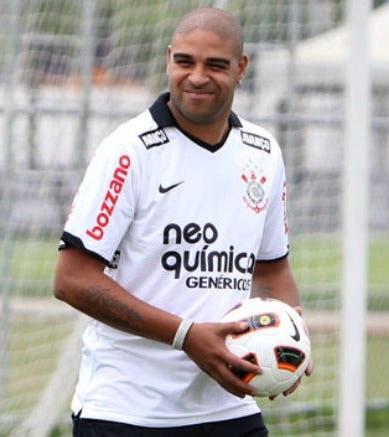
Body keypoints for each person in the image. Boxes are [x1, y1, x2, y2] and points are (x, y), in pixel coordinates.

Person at [53, 7, 311, 436]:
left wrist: (290, 338)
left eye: (216, 65)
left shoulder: (263, 152)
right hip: (127, 412)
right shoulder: (128, 151)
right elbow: (72, 279)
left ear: (241, 67)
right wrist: (186, 336)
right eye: (185, 61)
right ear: (169, 58)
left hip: (228, 410)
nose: (197, 77)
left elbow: (272, 270)